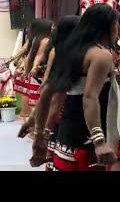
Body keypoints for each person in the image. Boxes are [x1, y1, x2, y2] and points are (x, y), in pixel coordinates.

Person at [47, 4, 120, 171]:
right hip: (88, 131)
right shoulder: (101, 55)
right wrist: (99, 141)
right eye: (116, 23)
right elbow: (90, 98)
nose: (118, 27)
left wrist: (43, 132)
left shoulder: (70, 50)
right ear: (108, 25)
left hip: (68, 129)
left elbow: (53, 94)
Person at [18, 16, 80, 170]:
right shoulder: (68, 54)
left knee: (54, 159)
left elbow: (48, 92)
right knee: (60, 160)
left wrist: (35, 124)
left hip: (61, 119)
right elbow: (53, 96)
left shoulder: (61, 51)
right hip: (69, 120)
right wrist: (40, 132)